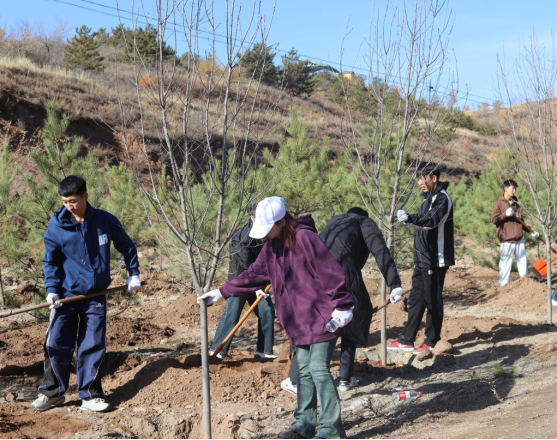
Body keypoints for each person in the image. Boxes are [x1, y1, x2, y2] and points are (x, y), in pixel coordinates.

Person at [199, 196, 354, 440]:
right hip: (298, 321)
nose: (263, 236)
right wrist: (222, 291)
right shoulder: (270, 247)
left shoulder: (305, 238)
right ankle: (304, 425)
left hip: (322, 316)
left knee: (318, 369)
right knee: (304, 371)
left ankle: (331, 430)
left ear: (282, 222)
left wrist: (342, 304)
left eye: (267, 229)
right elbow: (254, 274)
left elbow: (329, 270)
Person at [31, 176, 141, 413]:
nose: (69, 206)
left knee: (92, 344)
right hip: (65, 297)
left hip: (95, 296)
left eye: (73, 200)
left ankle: (90, 396)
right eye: (65, 201)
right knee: (56, 343)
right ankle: (52, 393)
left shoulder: (104, 220)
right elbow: (50, 261)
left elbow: (127, 245)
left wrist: (133, 273)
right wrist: (52, 290)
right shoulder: (57, 227)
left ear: (85, 196)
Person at [282, 207, 404, 395]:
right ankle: (345, 379)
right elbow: (380, 250)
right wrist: (394, 283)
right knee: (352, 316)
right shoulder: (364, 222)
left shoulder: (334, 222)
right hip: (341, 274)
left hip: (314, 275)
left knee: (314, 323)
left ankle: (296, 380)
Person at [388, 164, 455, 354]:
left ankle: (432, 340)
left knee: (433, 299)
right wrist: (409, 218)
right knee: (416, 299)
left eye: (423, 178)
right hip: (421, 258)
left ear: (434, 178)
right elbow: (421, 218)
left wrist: (410, 218)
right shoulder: (427, 200)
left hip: (435, 259)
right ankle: (406, 339)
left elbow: (431, 222)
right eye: (418, 178)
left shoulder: (442, 199)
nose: (419, 182)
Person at [210, 207, 276, 359]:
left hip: (258, 281)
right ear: (252, 217)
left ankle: (264, 351)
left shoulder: (266, 234)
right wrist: (257, 286)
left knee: (267, 311)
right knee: (232, 314)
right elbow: (246, 265)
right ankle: (217, 351)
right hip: (239, 282)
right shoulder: (241, 237)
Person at [491, 181, 539, 287]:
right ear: (505, 188)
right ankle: (503, 286)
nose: (514, 190)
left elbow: (521, 222)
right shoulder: (498, 204)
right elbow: (494, 220)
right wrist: (505, 215)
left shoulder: (516, 205)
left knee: (522, 263)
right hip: (507, 239)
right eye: (512, 188)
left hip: (519, 239)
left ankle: (525, 284)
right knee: (505, 264)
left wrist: (531, 231)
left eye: (515, 189)